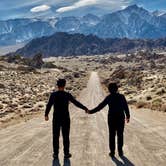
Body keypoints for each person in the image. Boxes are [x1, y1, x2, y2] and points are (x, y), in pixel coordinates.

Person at [45, 79, 88, 159]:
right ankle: (66, 153)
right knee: (66, 136)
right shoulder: (67, 95)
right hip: (65, 118)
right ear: (64, 85)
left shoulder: (53, 95)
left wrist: (46, 114)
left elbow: (49, 105)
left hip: (56, 118)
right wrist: (84, 108)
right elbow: (76, 103)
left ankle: (55, 154)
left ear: (57, 85)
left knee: (55, 136)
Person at [89, 83, 130, 158]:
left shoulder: (109, 97)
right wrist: (128, 116)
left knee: (112, 135)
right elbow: (125, 107)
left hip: (111, 118)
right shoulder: (122, 97)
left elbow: (100, 106)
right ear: (117, 89)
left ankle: (112, 152)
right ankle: (120, 151)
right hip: (121, 118)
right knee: (120, 135)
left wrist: (91, 111)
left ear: (109, 90)